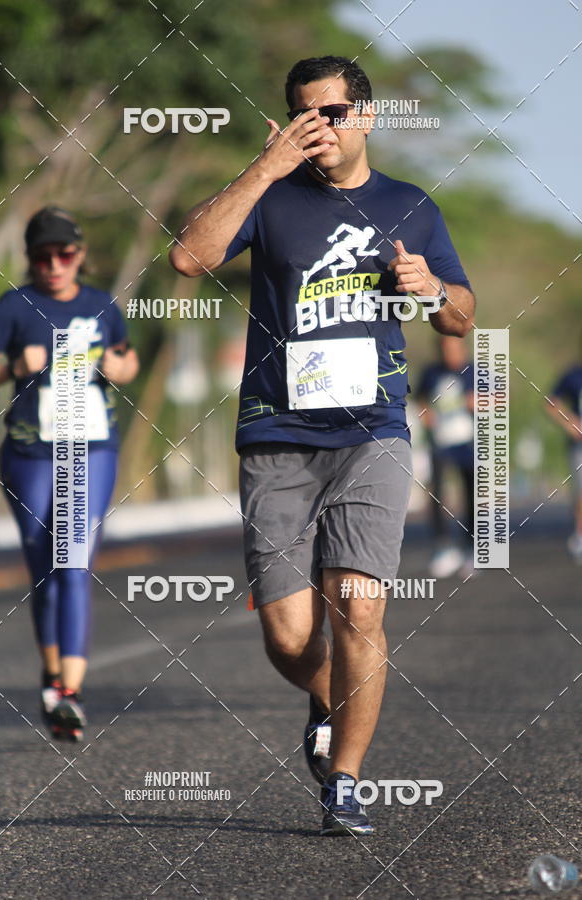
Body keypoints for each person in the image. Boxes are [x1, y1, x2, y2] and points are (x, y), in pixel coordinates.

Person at [170, 56, 475, 835]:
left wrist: (432, 292)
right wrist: (263, 168)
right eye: (305, 115)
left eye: (334, 113)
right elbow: (189, 256)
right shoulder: (271, 199)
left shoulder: (411, 206)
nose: (321, 129)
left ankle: (345, 777)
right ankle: (324, 698)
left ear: (366, 117)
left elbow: (460, 315)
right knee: (288, 636)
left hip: (372, 430)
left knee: (359, 609)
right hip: (277, 432)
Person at [0, 206, 138, 741]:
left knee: (72, 562)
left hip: (89, 448)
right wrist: (11, 367)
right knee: (43, 568)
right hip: (29, 453)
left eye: (64, 254)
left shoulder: (101, 305)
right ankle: (53, 678)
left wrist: (120, 368)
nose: (54, 264)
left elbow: (127, 357)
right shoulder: (14, 306)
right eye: (43, 255)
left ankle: (69, 692)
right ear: (30, 259)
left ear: (80, 256)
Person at [416, 335, 475, 578]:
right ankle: (443, 547)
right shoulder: (431, 373)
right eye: (446, 348)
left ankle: (471, 549)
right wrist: (426, 413)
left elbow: (501, 398)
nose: (451, 353)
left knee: (471, 495)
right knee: (437, 494)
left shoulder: (475, 372)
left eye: (455, 348)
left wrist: (482, 402)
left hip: (469, 442)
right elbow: (420, 400)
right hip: (440, 443)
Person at [546, 359, 582, 562]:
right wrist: (570, 423)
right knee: (581, 490)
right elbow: (550, 403)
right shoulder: (573, 375)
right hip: (579, 445)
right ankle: (580, 535)